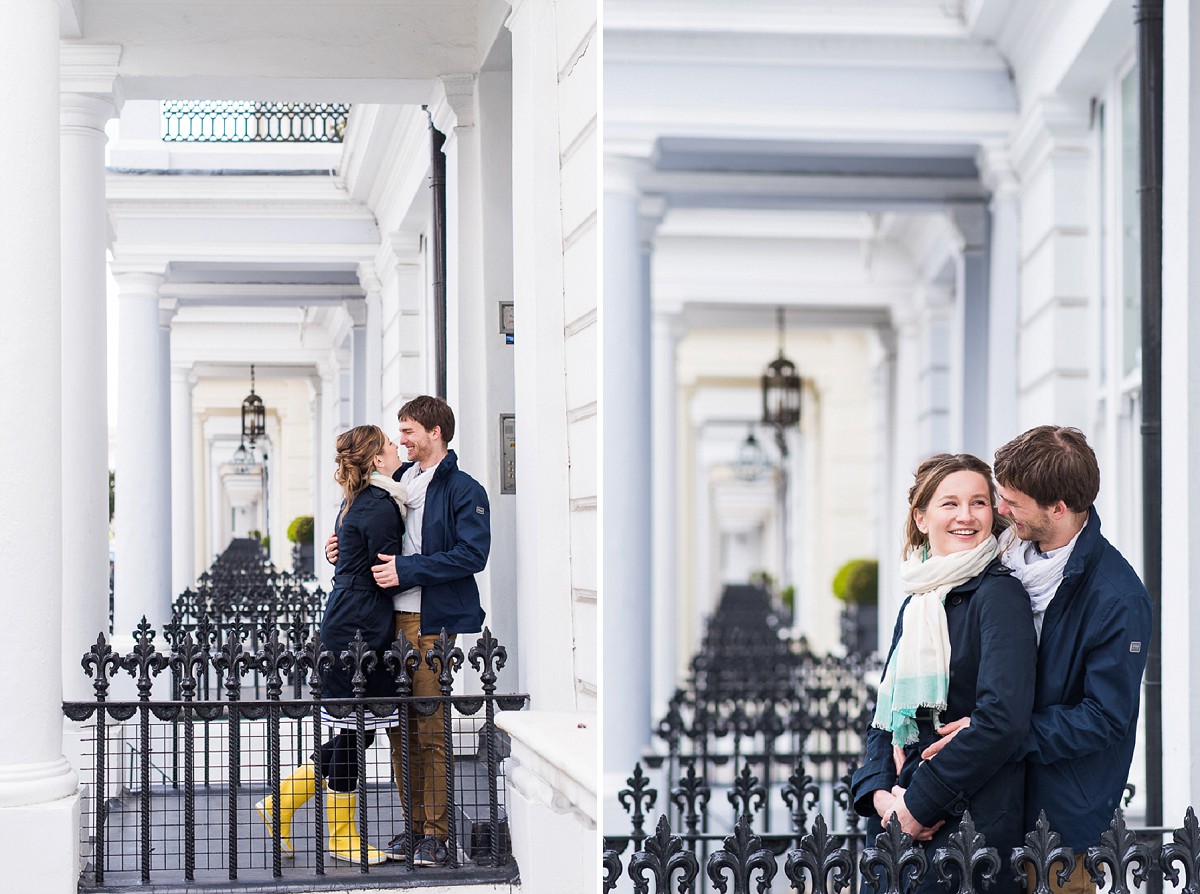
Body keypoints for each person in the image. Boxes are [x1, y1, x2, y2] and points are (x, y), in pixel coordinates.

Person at [923, 426, 1152, 892]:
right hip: (988, 802)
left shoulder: (1118, 597)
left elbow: (1104, 717)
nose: (1000, 510)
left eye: (1011, 502)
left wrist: (1002, 731)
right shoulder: (1003, 551)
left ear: (1059, 509)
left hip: (1061, 826)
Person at [851, 454, 1036, 894]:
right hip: (898, 823)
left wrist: (918, 806)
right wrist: (879, 794)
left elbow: (1001, 721)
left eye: (979, 503)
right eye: (949, 504)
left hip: (968, 833)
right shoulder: (918, 600)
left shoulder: (1000, 595)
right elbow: (886, 715)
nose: (966, 516)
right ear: (921, 516)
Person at [326, 395, 490, 868]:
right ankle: (414, 827)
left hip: (431, 621)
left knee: (430, 727)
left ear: (435, 432)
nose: (401, 440)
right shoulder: (397, 483)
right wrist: (341, 547)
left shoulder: (463, 489)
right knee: (400, 731)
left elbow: (471, 555)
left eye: (409, 431)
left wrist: (408, 569)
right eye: (398, 433)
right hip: (387, 622)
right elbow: (365, 529)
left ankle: (437, 835)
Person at [255, 424, 406, 865]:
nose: (397, 447)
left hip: (353, 617)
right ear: (377, 460)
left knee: (353, 732)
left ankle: (282, 805)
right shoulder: (378, 506)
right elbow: (388, 564)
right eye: (389, 444)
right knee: (354, 733)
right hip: (360, 625)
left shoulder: (358, 502)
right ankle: (340, 837)